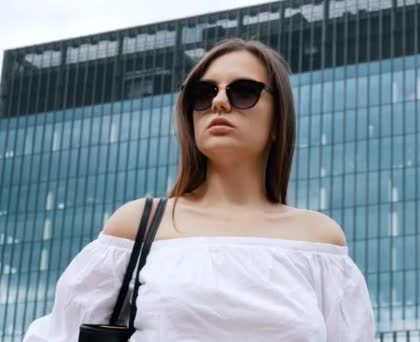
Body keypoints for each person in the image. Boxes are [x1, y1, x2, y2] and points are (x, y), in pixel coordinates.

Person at [23, 38, 376, 341]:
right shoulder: (138, 226)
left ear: (277, 119)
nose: (219, 102)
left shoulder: (319, 241)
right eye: (203, 93)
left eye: (243, 92)